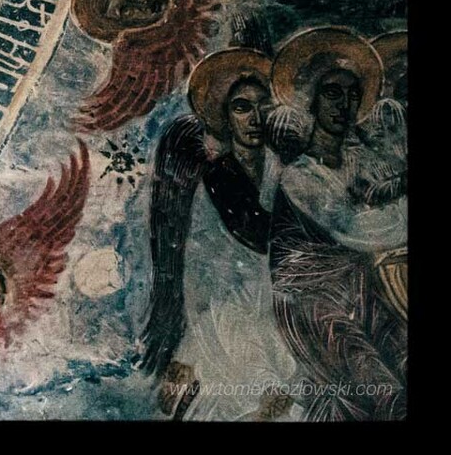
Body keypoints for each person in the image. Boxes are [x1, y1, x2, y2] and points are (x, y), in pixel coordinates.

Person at [141, 48, 297, 421]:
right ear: (225, 117)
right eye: (242, 108)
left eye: (264, 106)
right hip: (227, 307)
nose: (255, 118)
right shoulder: (218, 177)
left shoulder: (283, 169)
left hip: (283, 299)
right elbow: (209, 267)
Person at [266, 28, 406, 420]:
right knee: (380, 385)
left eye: (352, 95)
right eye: (332, 93)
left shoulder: (360, 163)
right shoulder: (299, 175)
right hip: (309, 298)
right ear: (310, 99)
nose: (344, 104)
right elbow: (355, 228)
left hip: (362, 288)